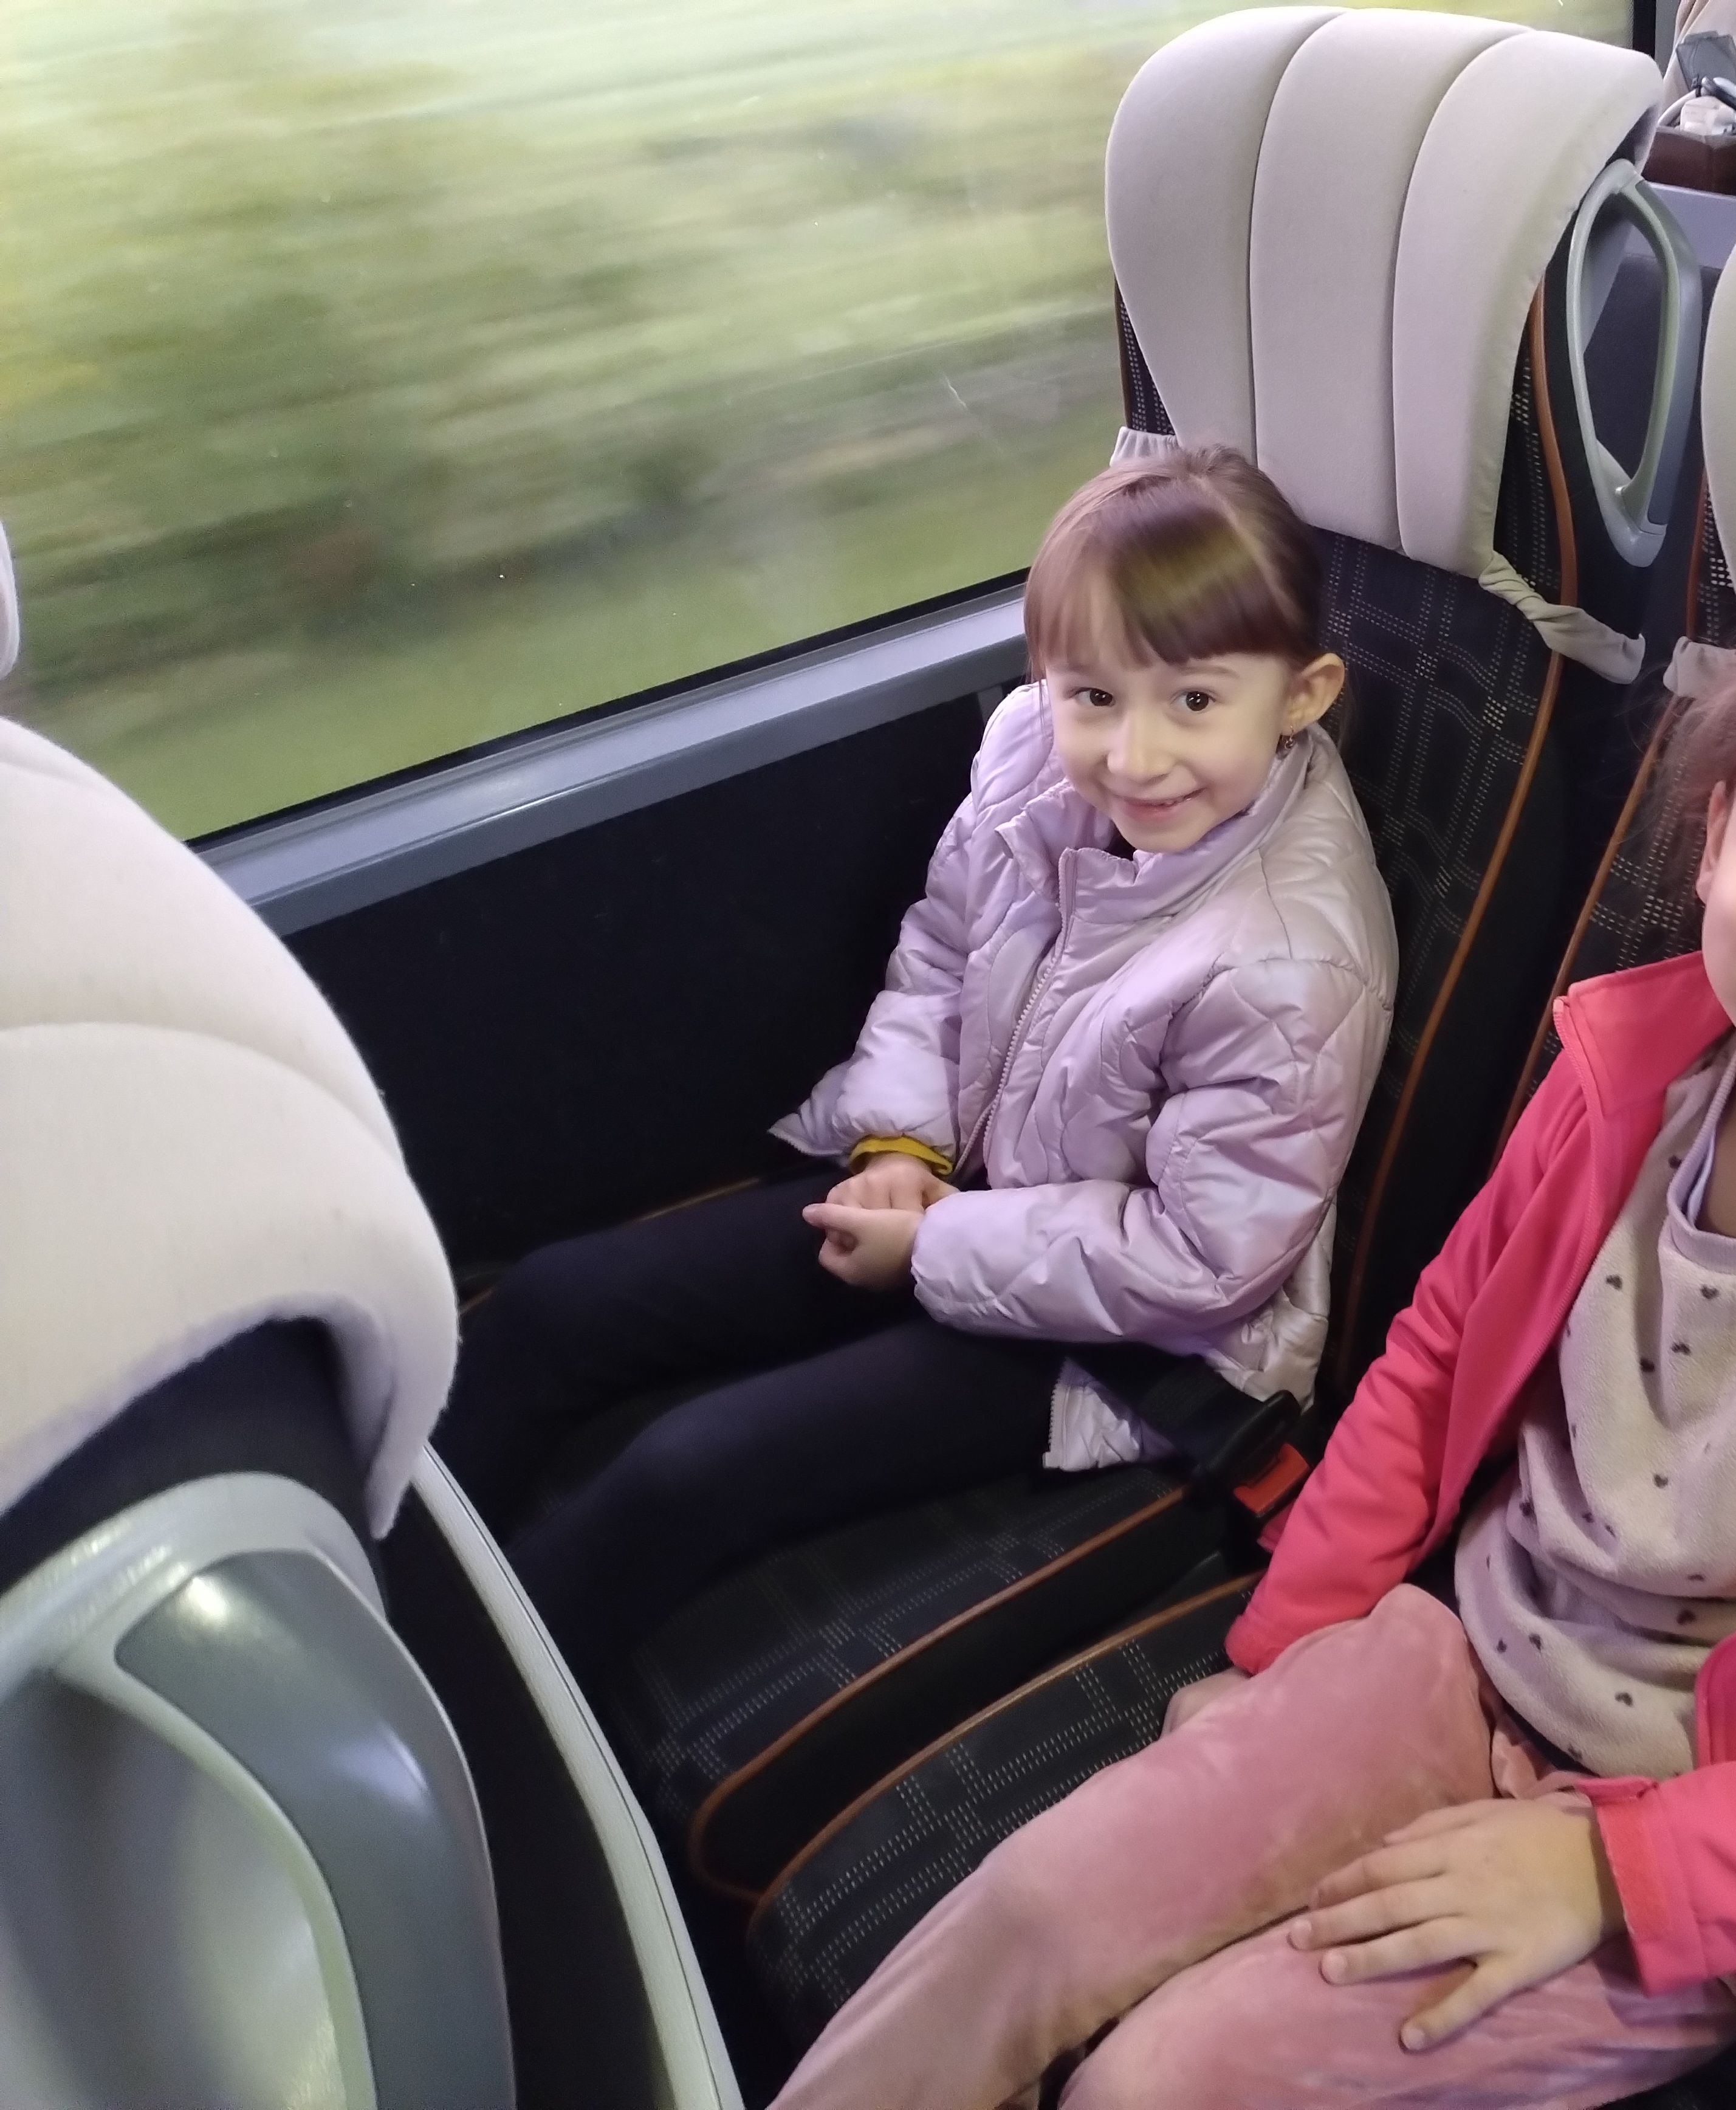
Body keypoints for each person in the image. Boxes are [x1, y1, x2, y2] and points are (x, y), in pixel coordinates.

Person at [770, 546, 1736, 2110]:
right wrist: (1283, 1656)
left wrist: (1611, 1867)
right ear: (1716, 838)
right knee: (1032, 1910)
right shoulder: (1627, 1084)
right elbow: (1434, 1361)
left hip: (1720, 1847)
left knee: (1166, 2081)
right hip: (1463, 1656)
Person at [436, 446, 1397, 1691]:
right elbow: (947, 949)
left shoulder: (1286, 958)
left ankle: (466, 1716)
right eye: (1092, 694)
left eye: (1195, 701)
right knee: (554, 1305)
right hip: (964, 1182)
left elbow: (1205, 1260)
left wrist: (937, 1245)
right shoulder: (1029, 756)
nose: (1133, 754)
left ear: (1303, 693)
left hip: (1128, 1333)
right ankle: (380, 1575)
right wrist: (900, 1145)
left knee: (688, 1470)